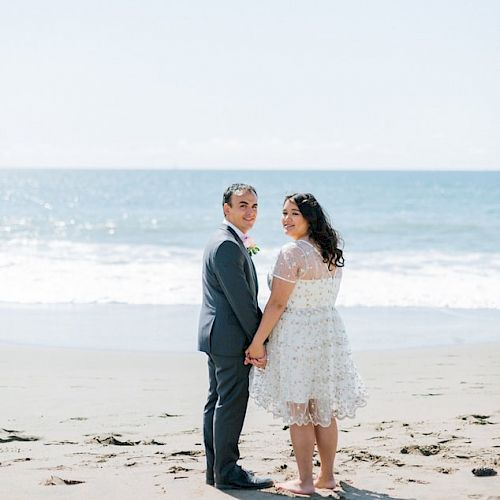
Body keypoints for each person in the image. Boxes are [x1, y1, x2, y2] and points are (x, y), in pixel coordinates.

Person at [245, 193, 367, 495]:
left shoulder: (292, 252)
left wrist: (257, 342)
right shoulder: (328, 251)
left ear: (309, 219)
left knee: (299, 409)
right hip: (327, 333)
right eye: (284, 213)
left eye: (294, 214)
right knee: (322, 408)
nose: (286, 219)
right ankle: (327, 476)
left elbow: (276, 305)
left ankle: (305, 481)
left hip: (298, 336)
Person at [198, 183, 273, 490]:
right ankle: (227, 471)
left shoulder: (223, 239)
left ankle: (215, 471)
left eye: (254, 206)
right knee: (229, 403)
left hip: (217, 335)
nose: (250, 212)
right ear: (226, 209)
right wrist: (260, 341)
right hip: (229, 338)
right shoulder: (227, 245)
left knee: (217, 400)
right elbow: (241, 301)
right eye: (242, 205)